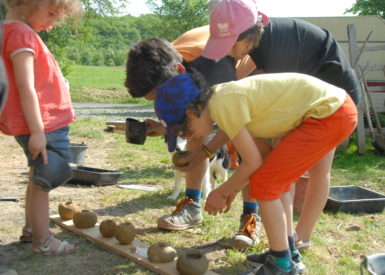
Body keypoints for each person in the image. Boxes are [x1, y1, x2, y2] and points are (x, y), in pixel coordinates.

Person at [186, 0, 362, 256]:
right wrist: (207, 153)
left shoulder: (277, 49)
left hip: (331, 100)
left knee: (307, 170)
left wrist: (229, 188)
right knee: (276, 172)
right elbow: (238, 118)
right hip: (305, 99)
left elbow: (273, 116)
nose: (230, 53)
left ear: (248, 35)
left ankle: (298, 239)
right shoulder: (254, 44)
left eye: (232, 45)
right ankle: (286, 241)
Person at [154, 71, 357, 274]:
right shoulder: (218, 99)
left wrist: (222, 192)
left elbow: (252, 162)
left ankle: (282, 266)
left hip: (328, 114)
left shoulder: (224, 103)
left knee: (266, 184)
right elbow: (231, 131)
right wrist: (205, 157)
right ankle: (288, 252)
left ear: (190, 113)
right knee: (277, 183)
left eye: (185, 132)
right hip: (333, 110)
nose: (190, 136)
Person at [126, 36, 271, 250]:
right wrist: (169, 127)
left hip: (258, 73)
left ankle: (251, 216)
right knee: (197, 132)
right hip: (217, 79)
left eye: (158, 95)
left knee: (249, 142)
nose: (159, 99)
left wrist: (226, 189)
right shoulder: (162, 63)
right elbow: (194, 118)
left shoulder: (214, 66)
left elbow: (229, 121)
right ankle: (192, 205)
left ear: (178, 71)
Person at [1, 0, 82, 255]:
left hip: (41, 125)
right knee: (45, 180)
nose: (50, 25)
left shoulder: (11, 30)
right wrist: (37, 131)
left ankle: (31, 229)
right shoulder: (22, 34)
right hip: (44, 125)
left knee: (38, 176)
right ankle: (43, 241)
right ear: (27, 2)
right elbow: (25, 86)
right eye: (50, 14)